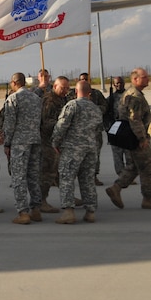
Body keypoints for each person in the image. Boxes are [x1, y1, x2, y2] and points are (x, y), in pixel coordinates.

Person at [51, 80, 103, 224]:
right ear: (89, 93)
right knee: (87, 180)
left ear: (75, 92)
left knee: (67, 178)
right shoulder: (95, 108)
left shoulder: (72, 105)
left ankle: (68, 212)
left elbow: (61, 125)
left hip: (72, 148)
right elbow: (99, 128)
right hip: (91, 148)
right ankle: (90, 211)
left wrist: (55, 141)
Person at [105, 68, 151, 210]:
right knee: (147, 167)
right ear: (135, 79)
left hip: (132, 136)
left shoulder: (132, 94)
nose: (147, 79)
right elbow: (134, 119)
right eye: (144, 77)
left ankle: (116, 188)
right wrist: (142, 138)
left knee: (135, 166)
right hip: (135, 136)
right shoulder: (135, 96)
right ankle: (148, 199)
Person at [3, 72, 43, 225]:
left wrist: (7, 143)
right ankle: (36, 209)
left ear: (14, 83)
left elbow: (10, 124)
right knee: (33, 176)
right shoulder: (36, 98)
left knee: (19, 177)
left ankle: (23, 212)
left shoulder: (13, 99)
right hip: (35, 140)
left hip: (20, 142)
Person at [39, 76, 71, 213]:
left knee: (61, 172)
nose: (65, 90)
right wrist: (63, 124)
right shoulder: (50, 100)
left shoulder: (62, 99)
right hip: (48, 142)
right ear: (55, 87)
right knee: (48, 172)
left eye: (67, 88)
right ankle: (41, 201)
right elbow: (46, 123)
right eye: (62, 88)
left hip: (59, 141)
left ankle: (67, 197)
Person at [106, 76, 133, 177]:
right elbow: (105, 114)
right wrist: (108, 128)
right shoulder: (110, 99)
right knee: (117, 154)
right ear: (114, 85)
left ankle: (129, 175)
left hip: (127, 127)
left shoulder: (130, 96)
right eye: (117, 83)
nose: (119, 85)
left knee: (129, 153)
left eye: (121, 83)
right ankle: (121, 175)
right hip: (115, 127)